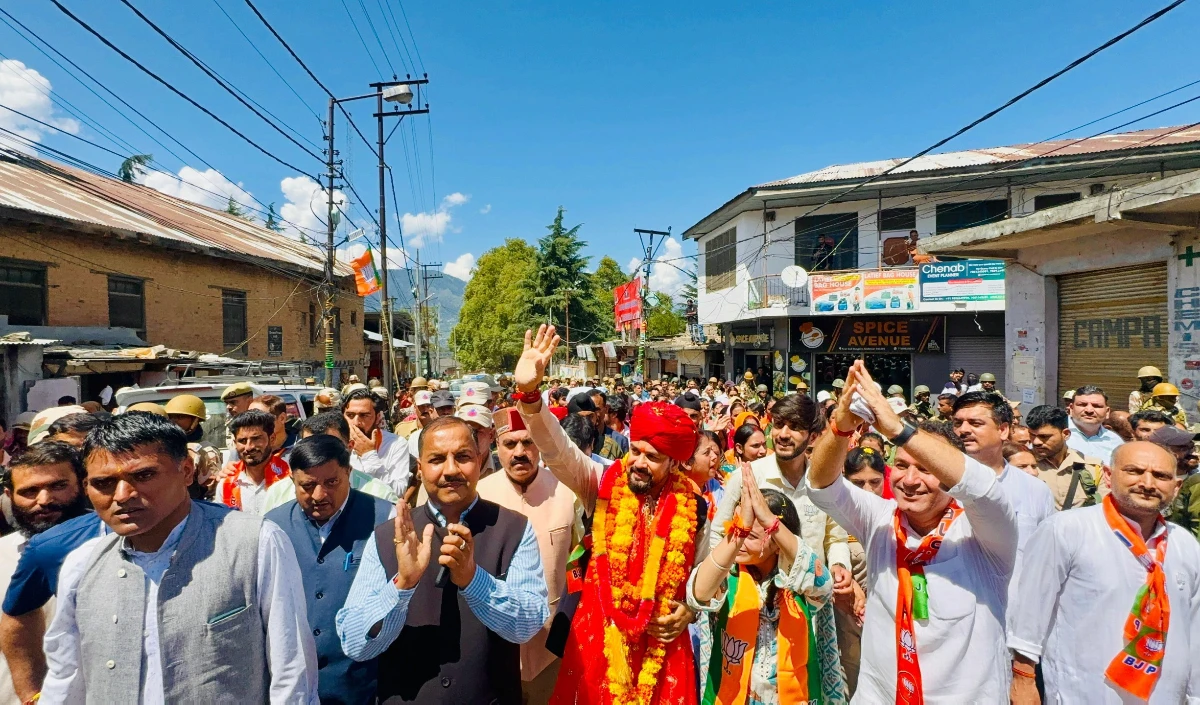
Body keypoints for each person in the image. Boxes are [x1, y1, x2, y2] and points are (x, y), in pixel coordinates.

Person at [41, 411, 318, 703]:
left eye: (143, 475)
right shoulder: (84, 564)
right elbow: (65, 679)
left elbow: (292, 672)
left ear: (186, 471)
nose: (122, 495)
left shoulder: (255, 543)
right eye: (104, 483)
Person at [512, 325, 709, 705]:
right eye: (635, 450)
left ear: (674, 463)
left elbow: (706, 576)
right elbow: (558, 452)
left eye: (652, 457)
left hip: (663, 644)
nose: (637, 461)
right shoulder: (601, 483)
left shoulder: (695, 507)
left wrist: (690, 611)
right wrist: (531, 396)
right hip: (599, 636)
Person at [806, 360, 1018, 704]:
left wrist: (897, 429)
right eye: (901, 465)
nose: (909, 480)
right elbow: (819, 484)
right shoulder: (880, 519)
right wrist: (841, 426)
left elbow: (983, 488)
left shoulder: (985, 533)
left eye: (926, 468)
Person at [336, 416, 549, 703]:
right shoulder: (389, 536)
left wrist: (475, 581)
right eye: (437, 459)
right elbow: (355, 644)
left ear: (480, 460)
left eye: (462, 457)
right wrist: (401, 586)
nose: (451, 470)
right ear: (420, 469)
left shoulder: (513, 529)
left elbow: (527, 625)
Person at [1008, 441, 1200, 704]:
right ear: (1108, 476)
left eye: (1161, 476)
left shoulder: (1185, 543)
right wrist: (1023, 678)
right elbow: (1029, 611)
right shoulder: (1066, 529)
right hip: (1084, 691)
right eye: (1134, 471)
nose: (1147, 483)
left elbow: (1194, 628)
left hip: (1165, 694)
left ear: (1176, 487)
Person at [688, 474, 846, 704]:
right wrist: (741, 530)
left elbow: (823, 587)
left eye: (750, 535)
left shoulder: (798, 578)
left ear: (776, 543)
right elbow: (698, 595)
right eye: (736, 530)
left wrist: (771, 522)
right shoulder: (728, 574)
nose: (739, 541)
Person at [266, 434, 393, 704]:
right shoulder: (272, 527)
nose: (319, 495)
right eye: (308, 486)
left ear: (348, 472)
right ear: (292, 481)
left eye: (331, 482)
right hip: (295, 687)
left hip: (364, 686)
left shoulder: (386, 521)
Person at [477, 408, 580, 704]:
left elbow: (578, 567)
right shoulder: (479, 495)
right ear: (497, 447)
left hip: (554, 647)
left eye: (528, 442)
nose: (519, 452)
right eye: (510, 444)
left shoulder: (566, 492)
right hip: (495, 648)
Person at [0, 443, 88, 704]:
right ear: (9, 495)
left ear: (84, 484)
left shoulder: (121, 546)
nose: (45, 500)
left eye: (58, 486)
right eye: (29, 491)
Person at [262, 412, 398, 512]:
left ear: (350, 447)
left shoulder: (379, 495)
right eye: (310, 447)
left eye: (329, 447)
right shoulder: (278, 493)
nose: (319, 456)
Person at [833, 446, 886, 693]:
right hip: (847, 610)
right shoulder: (835, 514)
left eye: (875, 482)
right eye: (858, 482)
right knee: (853, 667)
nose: (868, 490)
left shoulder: (896, 513)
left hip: (886, 611)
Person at [1026, 404, 1107, 511]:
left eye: (1044, 437)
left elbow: (1104, 509)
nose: (1036, 442)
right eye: (1032, 435)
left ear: (1066, 434)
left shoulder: (1093, 468)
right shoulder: (1022, 467)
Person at [215, 410, 291, 515]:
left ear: (272, 439)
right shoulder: (226, 484)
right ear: (235, 443)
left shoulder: (289, 479)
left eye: (256, 439)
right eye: (242, 441)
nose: (249, 447)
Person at [342, 387, 412, 497]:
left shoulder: (396, 443)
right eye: (350, 415)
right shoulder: (335, 443)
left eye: (364, 415)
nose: (356, 422)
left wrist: (369, 456)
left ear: (378, 417)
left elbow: (397, 493)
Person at [1067, 385, 1124, 466]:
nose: (1089, 410)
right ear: (1071, 409)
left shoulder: (1115, 441)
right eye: (1082, 405)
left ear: (1107, 412)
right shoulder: (1056, 435)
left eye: (1097, 406)